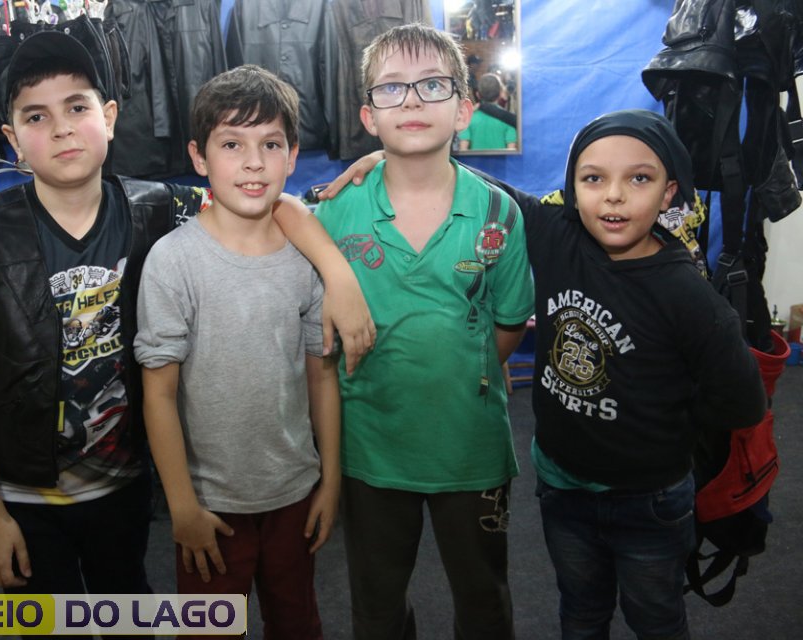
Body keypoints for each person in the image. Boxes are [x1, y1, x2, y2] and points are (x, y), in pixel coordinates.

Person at [0, 31, 372, 604]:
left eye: (77, 107)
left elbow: (267, 200)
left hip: (123, 485)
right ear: (13, 139)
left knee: (126, 606)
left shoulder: (162, 208)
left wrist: (341, 263)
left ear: (109, 117)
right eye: (37, 116)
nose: (61, 129)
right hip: (24, 493)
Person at [323, 109, 768, 639]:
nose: (614, 196)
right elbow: (487, 188)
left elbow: (741, 400)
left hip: (647, 496)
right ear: (571, 189)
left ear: (669, 192)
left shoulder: (688, 296)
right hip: (563, 485)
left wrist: (666, 422)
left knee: (656, 617)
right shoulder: (557, 235)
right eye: (593, 178)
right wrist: (395, 158)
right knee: (580, 612)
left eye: (639, 179)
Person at [315, 23, 535, 640]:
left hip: (471, 450)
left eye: (432, 85)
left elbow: (508, 326)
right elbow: (270, 211)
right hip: (371, 450)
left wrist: (466, 368)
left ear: (464, 109)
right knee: (376, 605)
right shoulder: (335, 209)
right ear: (369, 116)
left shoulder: (499, 213)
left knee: (485, 600)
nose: (411, 100)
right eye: (392, 88)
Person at [134, 65, 339, 639]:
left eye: (270, 145)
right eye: (232, 144)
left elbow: (322, 378)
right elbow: (159, 395)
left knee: (298, 623)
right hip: (209, 503)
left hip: (294, 493)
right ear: (199, 157)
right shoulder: (173, 261)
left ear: (292, 156)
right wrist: (181, 506)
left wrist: (331, 481)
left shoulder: (307, 258)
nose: (253, 163)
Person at [459, 72, 517, 151]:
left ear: (478, 95)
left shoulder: (468, 120)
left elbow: (463, 149)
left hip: (474, 160)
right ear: (500, 93)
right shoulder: (508, 121)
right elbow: (511, 150)